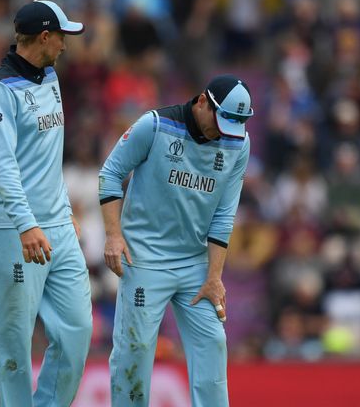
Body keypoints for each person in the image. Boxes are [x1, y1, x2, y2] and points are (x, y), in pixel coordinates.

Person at [99, 75, 253, 406]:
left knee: (213, 342)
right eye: (222, 121)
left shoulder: (238, 142)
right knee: (135, 350)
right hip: (144, 260)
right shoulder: (153, 126)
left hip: (196, 264)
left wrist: (214, 277)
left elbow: (225, 214)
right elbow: (110, 173)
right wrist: (113, 235)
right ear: (201, 102)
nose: (223, 133)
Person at [0, 0, 93, 407]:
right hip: (13, 230)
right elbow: (4, 168)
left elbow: (47, 155)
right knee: (12, 346)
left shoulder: (50, 76)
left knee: (77, 331)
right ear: (45, 36)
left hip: (58, 227)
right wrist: (27, 224)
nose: (65, 44)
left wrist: (61, 211)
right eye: (63, 36)